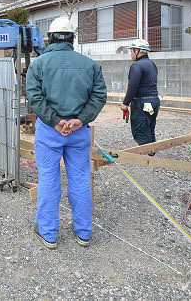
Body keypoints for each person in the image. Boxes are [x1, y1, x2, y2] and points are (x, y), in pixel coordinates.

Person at [26, 16, 107, 249]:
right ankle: (83, 232)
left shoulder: (38, 64)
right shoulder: (90, 65)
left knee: (49, 180)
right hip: (78, 132)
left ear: (50, 38)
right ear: (72, 37)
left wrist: (55, 121)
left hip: (50, 130)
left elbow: (34, 96)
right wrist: (80, 120)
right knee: (80, 179)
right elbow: (99, 96)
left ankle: (48, 233)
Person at [120, 39, 160, 146]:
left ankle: (148, 157)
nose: (131, 53)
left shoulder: (136, 66)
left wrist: (125, 103)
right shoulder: (152, 64)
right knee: (149, 128)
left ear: (138, 50)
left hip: (142, 103)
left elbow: (133, 87)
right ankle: (152, 152)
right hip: (154, 101)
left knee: (141, 130)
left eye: (132, 51)